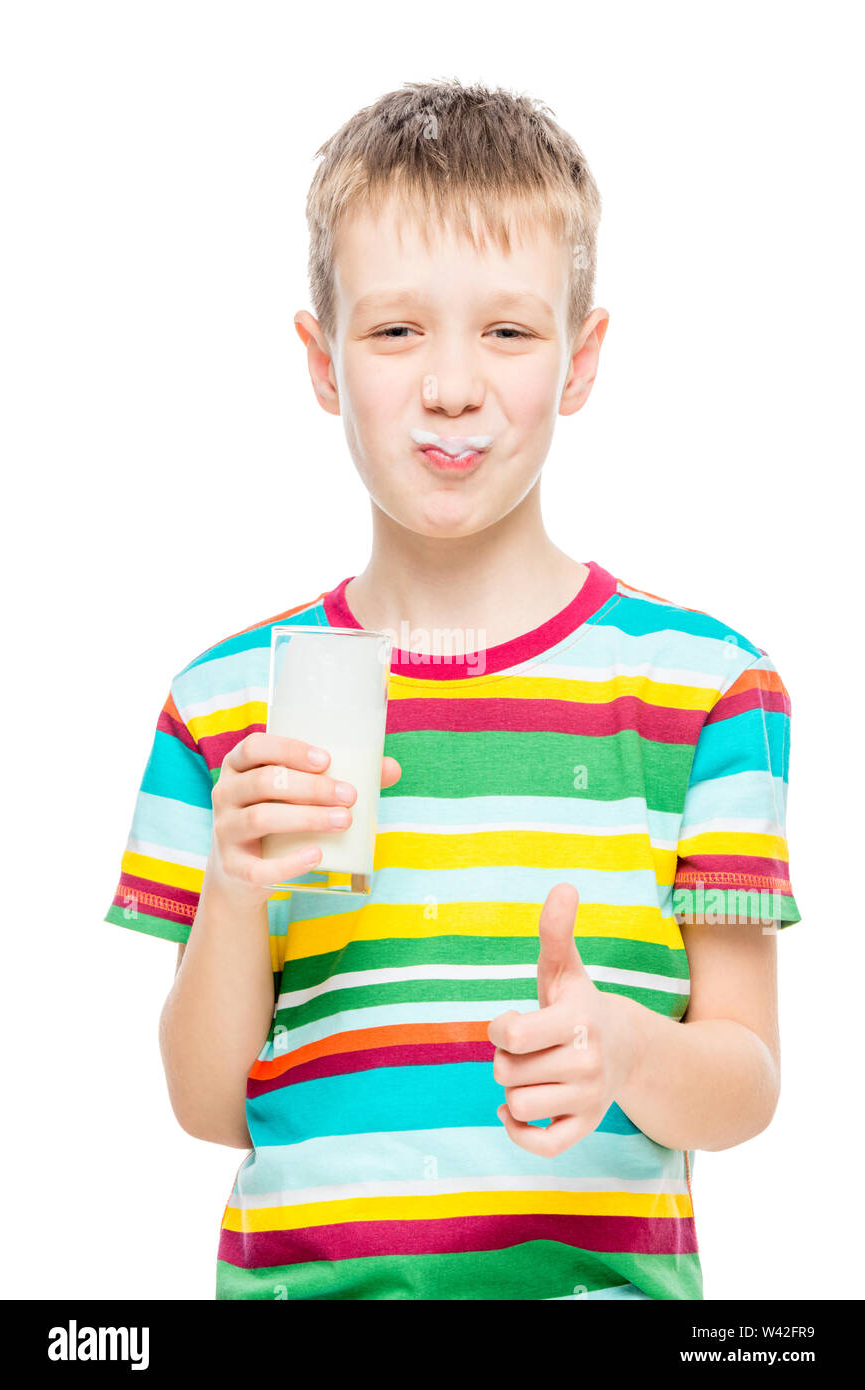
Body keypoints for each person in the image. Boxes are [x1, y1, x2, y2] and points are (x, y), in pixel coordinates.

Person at [105, 80, 801, 1301]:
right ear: (323, 363)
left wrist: (630, 1050)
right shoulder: (224, 705)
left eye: (509, 332)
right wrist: (232, 889)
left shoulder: (708, 689)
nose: (450, 386)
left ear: (581, 361)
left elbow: (746, 1084)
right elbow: (209, 1107)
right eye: (394, 332)